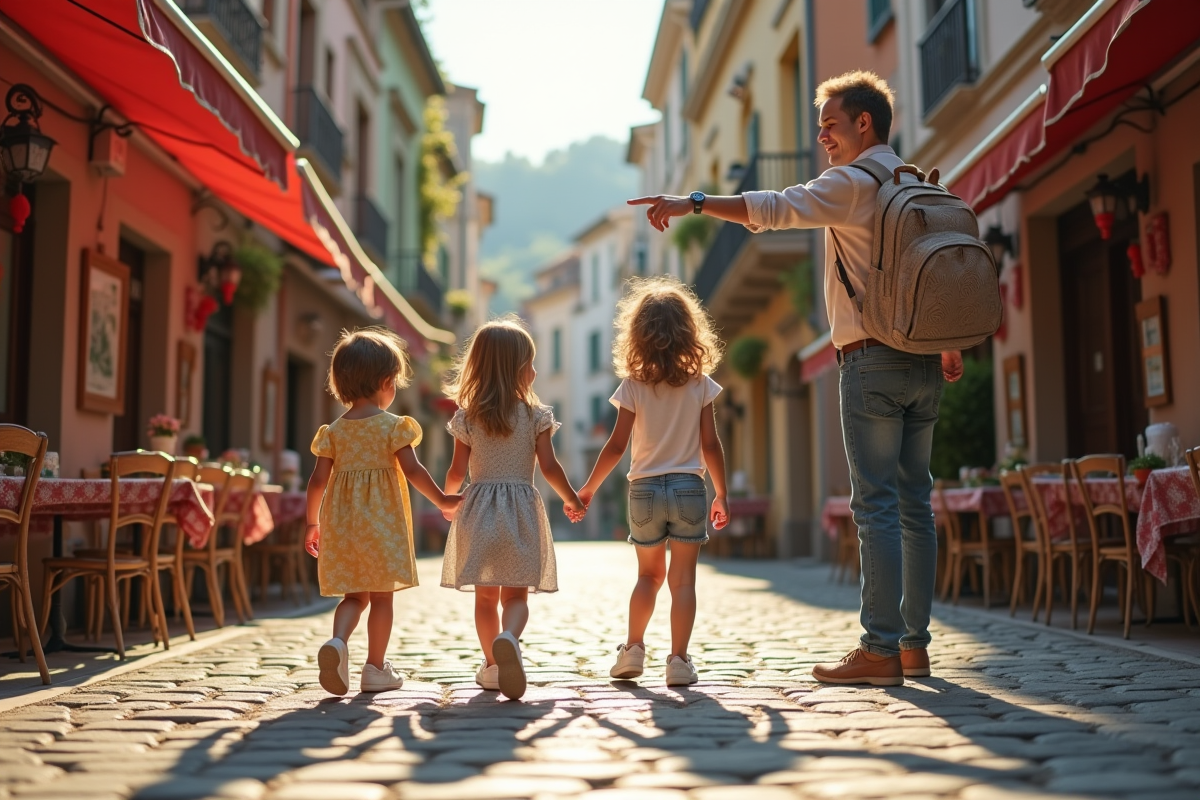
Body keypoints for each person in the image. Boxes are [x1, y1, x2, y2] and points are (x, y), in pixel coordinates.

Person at [629, 71, 963, 686]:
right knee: (917, 501)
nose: (821, 136)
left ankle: (880, 649)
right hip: (923, 359)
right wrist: (944, 341)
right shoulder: (910, 179)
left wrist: (693, 202)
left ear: (865, 123)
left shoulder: (853, 182)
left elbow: (774, 209)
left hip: (871, 360)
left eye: (830, 124)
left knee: (878, 505)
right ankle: (914, 645)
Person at [578, 276, 730, 687]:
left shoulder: (633, 386)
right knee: (683, 581)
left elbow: (615, 445)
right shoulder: (700, 384)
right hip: (688, 487)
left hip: (643, 489)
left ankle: (632, 649)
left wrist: (588, 489)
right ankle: (678, 661)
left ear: (638, 334)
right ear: (689, 331)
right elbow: (710, 444)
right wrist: (722, 494)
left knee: (648, 577)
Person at [305, 327, 463, 695]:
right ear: (386, 381)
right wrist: (442, 500)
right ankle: (375, 667)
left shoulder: (332, 432)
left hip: (342, 525)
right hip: (383, 526)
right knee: (381, 598)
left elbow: (316, 482)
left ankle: (338, 642)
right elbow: (413, 471)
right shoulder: (394, 428)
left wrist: (313, 522)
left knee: (353, 597)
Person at [441, 316, 585, 700]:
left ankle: (491, 665)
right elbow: (550, 468)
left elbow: (457, 470)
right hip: (521, 510)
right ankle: (510, 638)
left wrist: (446, 499)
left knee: (484, 599)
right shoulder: (536, 416)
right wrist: (572, 499)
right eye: (531, 363)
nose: (536, 370)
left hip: (479, 509)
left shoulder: (467, 416)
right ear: (517, 369)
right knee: (516, 598)